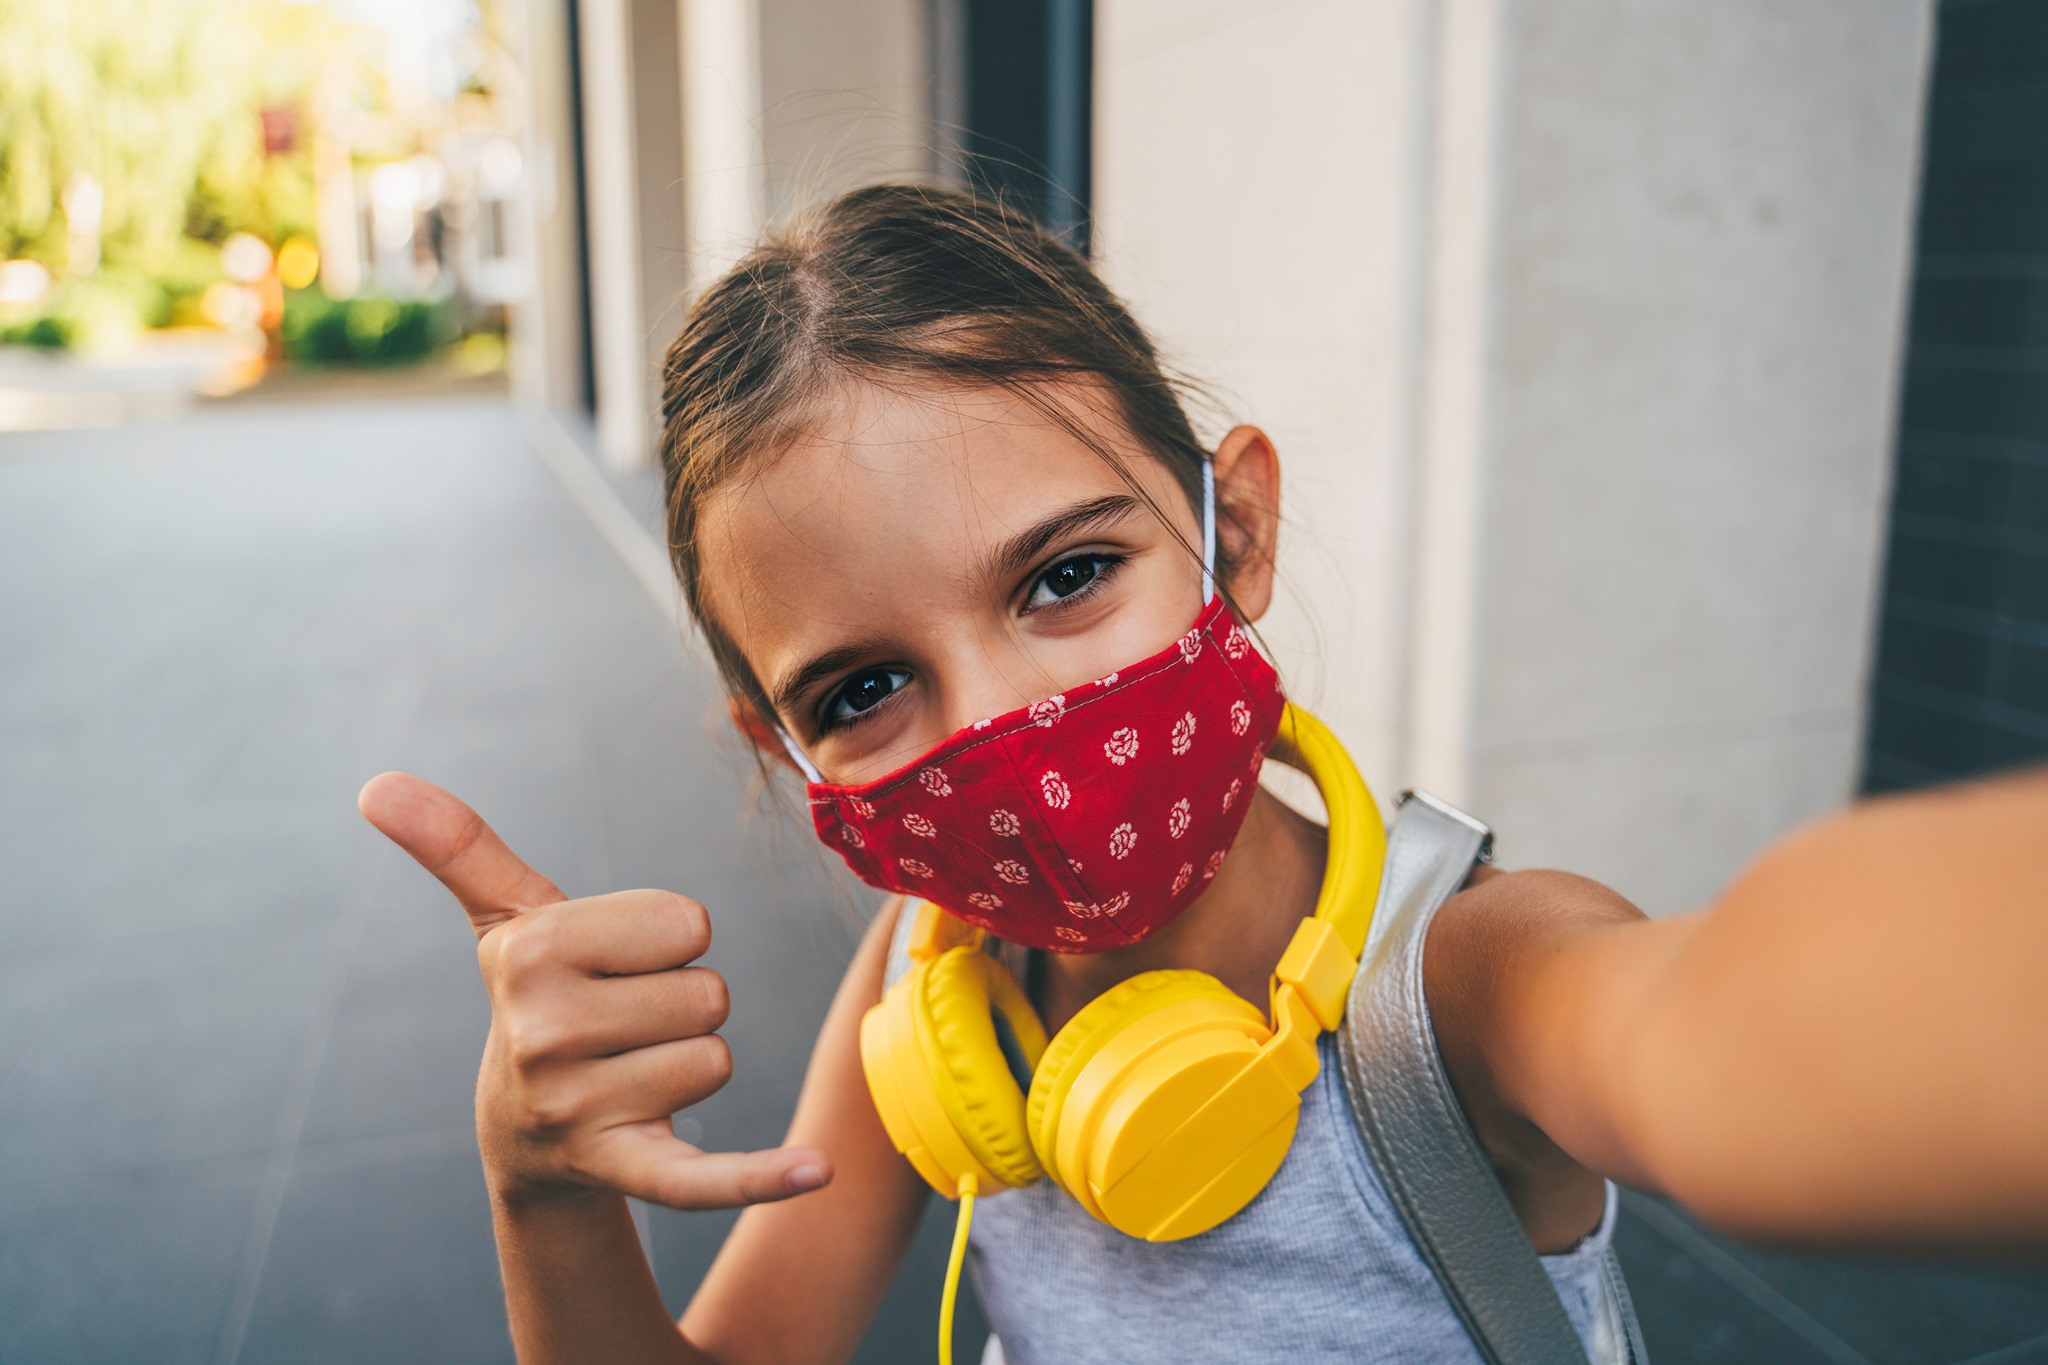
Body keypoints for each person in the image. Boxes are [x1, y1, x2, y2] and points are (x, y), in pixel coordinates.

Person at [358, 184, 2048, 1365]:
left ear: (1231, 529)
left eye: (1065, 574)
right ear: (783, 751)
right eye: (868, 685)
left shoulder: (1460, 983)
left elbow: (1738, 1021)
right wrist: (544, 1184)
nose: (1005, 726)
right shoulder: (924, 988)